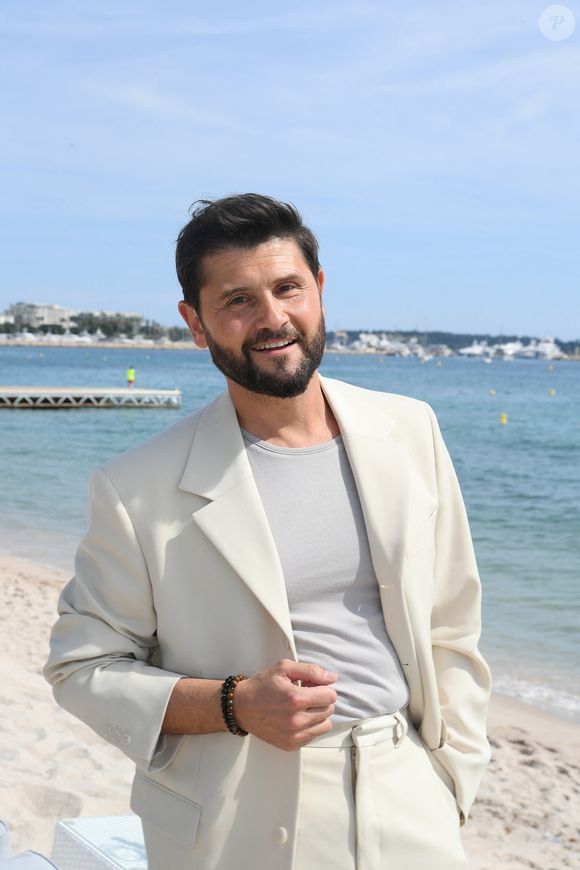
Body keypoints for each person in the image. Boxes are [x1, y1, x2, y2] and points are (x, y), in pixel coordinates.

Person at [44, 194, 491, 870]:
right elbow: (81, 668)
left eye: (288, 288)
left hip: (410, 797)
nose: (273, 317)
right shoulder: (135, 487)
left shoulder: (410, 429)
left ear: (320, 289)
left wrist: (455, 775)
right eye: (238, 300)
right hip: (237, 821)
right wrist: (234, 705)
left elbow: (452, 619)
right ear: (195, 324)